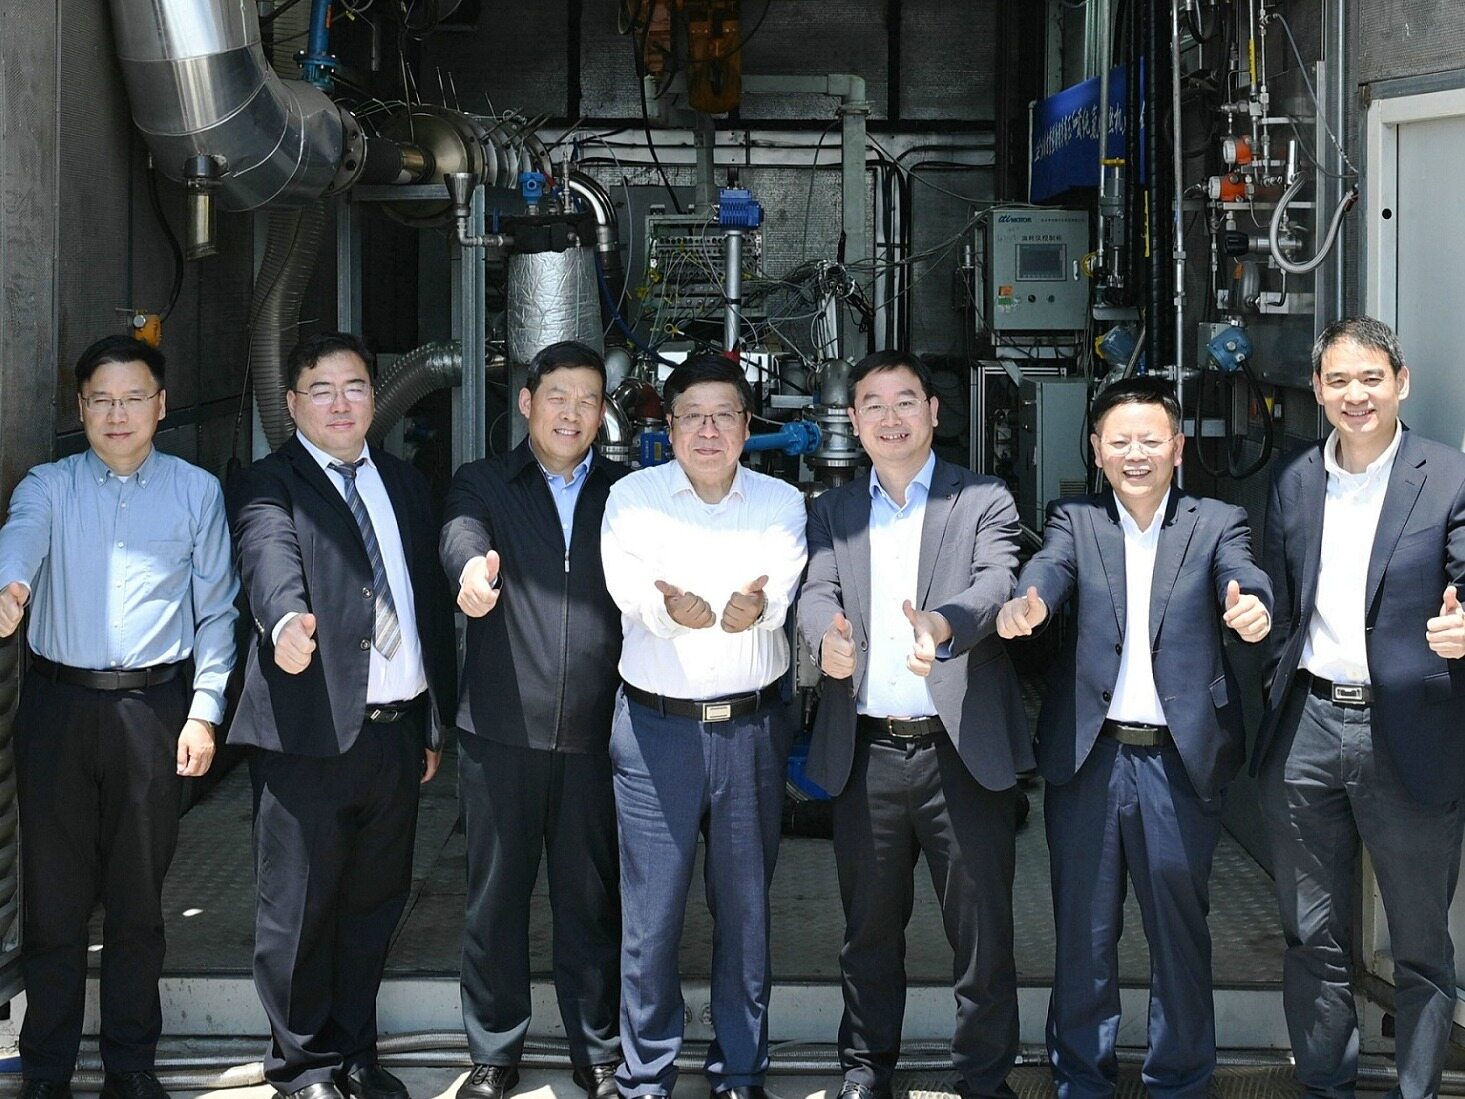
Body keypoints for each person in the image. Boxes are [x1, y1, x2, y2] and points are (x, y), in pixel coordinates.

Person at [997, 376, 1272, 1098]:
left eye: (1150, 440)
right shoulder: (1075, 519)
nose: (1135, 454)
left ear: (1177, 447)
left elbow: (1243, 575)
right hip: (1090, 758)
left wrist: (1252, 607)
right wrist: (1029, 603)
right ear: (1096, 450)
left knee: (1179, 933)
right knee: (1083, 933)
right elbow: (1047, 570)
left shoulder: (1217, 520)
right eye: (1119, 441)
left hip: (1178, 762)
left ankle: (1178, 1079)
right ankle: (1080, 1079)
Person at [0, 334, 238, 1099]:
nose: (117, 413)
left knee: (138, 899)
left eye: (133, 397)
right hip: (57, 708)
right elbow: (19, 540)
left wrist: (204, 712)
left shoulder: (196, 492)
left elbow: (218, 612)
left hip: (152, 708)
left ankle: (131, 1065)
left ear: (160, 405)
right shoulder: (49, 485)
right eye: (101, 399)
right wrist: (8, 586)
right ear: (81, 407)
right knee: (54, 900)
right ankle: (47, 1068)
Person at [227, 331, 458, 1099]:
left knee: (371, 906)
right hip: (307, 734)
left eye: (354, 386)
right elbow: (267, 556)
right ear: (292, 403)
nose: (339, 402)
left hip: (394, 734)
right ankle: (302, 1065)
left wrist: (430, 720)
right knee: (298, 909)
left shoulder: (405, 481)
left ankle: (355, 1051)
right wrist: (283, 622)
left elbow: (423, 603)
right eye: (320, 389)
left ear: (374, 398)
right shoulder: (269, 482)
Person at [798, 349, 1033, 1099]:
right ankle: (865, 1070)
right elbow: (816, 591)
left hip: (960, 752)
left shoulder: (982, 497)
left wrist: (943, 622)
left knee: (981, 932)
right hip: (867, 751)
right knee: (867, 930)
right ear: (852, 420)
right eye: (872, 404)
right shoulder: (832, 511)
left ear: (933, 411)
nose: (890, 417)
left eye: (905, 401)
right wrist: (825, 639)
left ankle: (984, 1078)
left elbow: (997, 581)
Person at [1254, 316, 1465, 1098]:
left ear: (1400, 382)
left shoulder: (1447, 474)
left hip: (1407, 728)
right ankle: (1324, 1085)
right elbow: (1276, 599)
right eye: (1337, 380)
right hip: (1306, 726)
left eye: (1370, 378)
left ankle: (1416, 1089)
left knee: (1419, 943)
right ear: (1316, 390)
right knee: (1311, 934)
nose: (1355, 395)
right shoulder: (1293, 480)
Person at [598, 353, 807, 1099]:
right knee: (650, 917)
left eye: (724, 416)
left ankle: (740, 1070)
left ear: (748, 427)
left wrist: (758, 609)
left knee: (745, 913)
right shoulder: (633, 497)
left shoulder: (781, 501)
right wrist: (669, 611)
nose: (708, 430)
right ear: (669, 425)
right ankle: (645, 1075)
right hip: (657, 730)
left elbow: (779, 585)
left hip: (750, 732)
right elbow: (630, 587)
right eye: (693, 416)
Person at [440, 341, 628, 1099]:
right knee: (495, 898)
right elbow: (460, 534)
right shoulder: (483, 482)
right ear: (526, 403)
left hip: (597, 730)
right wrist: (469, 572)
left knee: (592, 900)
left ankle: (598, 1049)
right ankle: (493, 1050)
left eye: (588, 400)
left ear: (602, 412)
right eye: (557, 396)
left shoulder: (627, 493)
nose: (572, 413)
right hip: (500, 729)